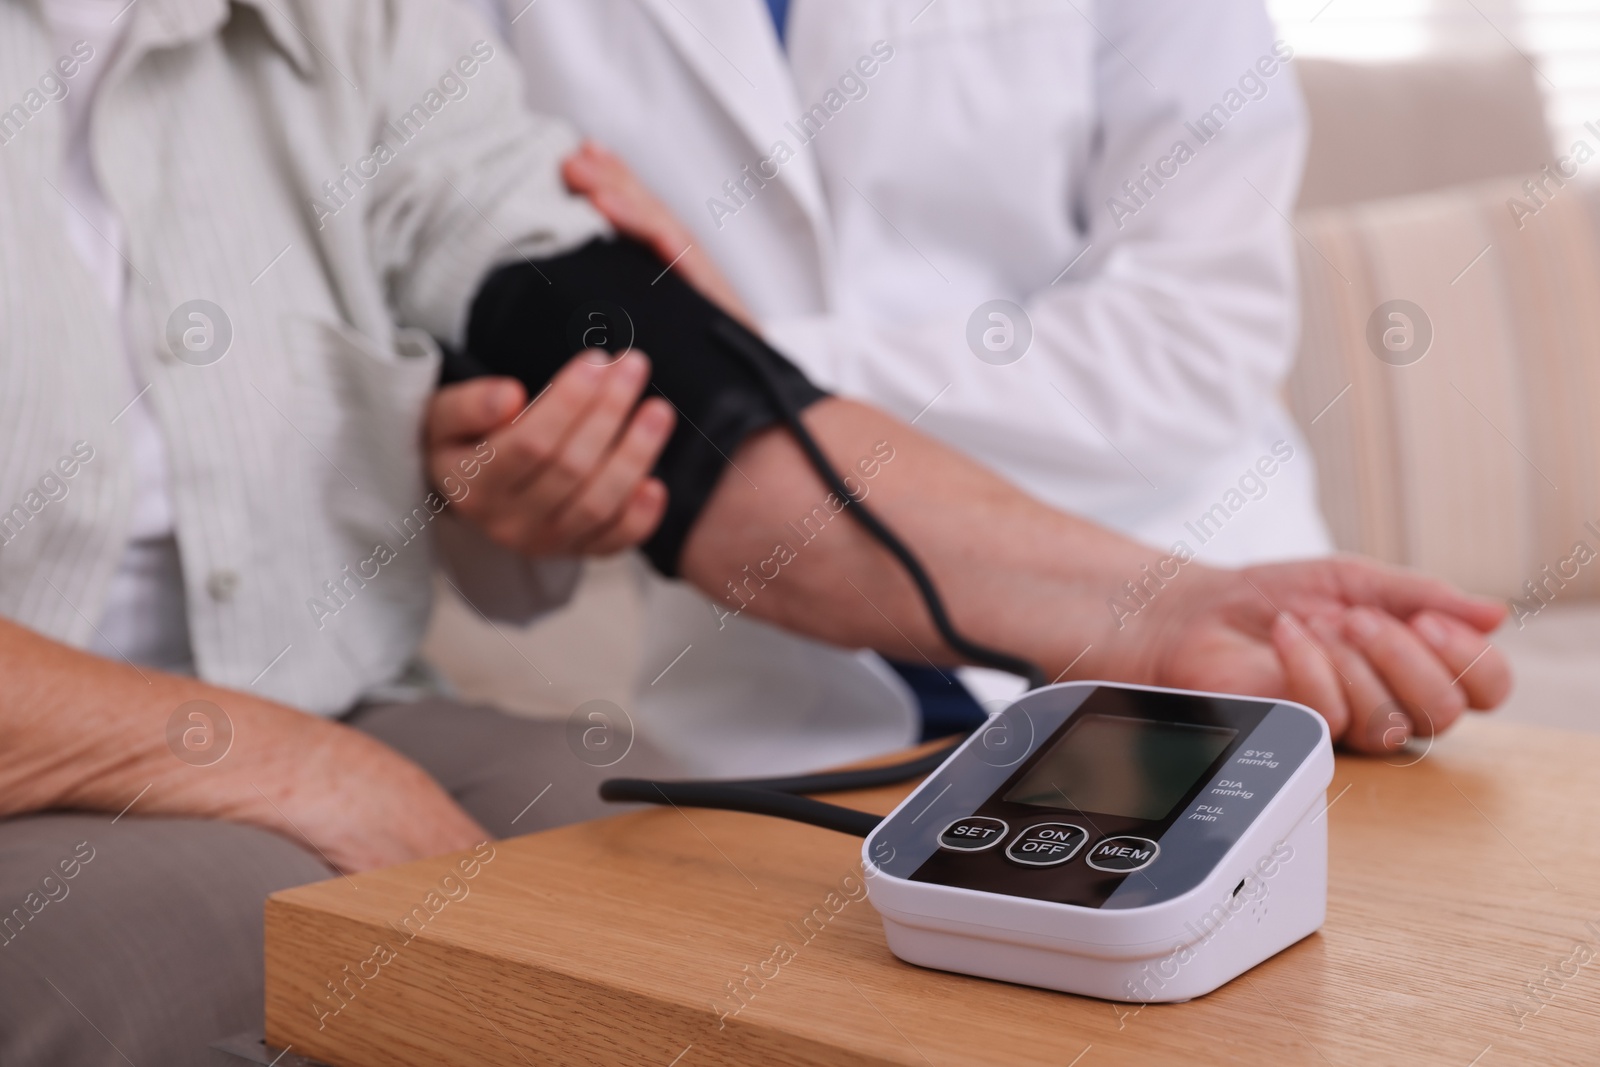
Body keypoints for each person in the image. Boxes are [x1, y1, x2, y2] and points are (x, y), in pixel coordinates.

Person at [0, 2, 1506, 1063]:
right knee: (304, 933)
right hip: (107, 741)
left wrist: (1140, 605)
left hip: (345, 686)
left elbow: (662, 372)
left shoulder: (354, 25)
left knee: (670, 897)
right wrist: (307, 763)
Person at [472, 0, 1342, 772]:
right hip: (771, 715)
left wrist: (735, 368)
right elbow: (477, 361)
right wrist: (501, 486)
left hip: (1195, 654)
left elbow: (1193, 344)